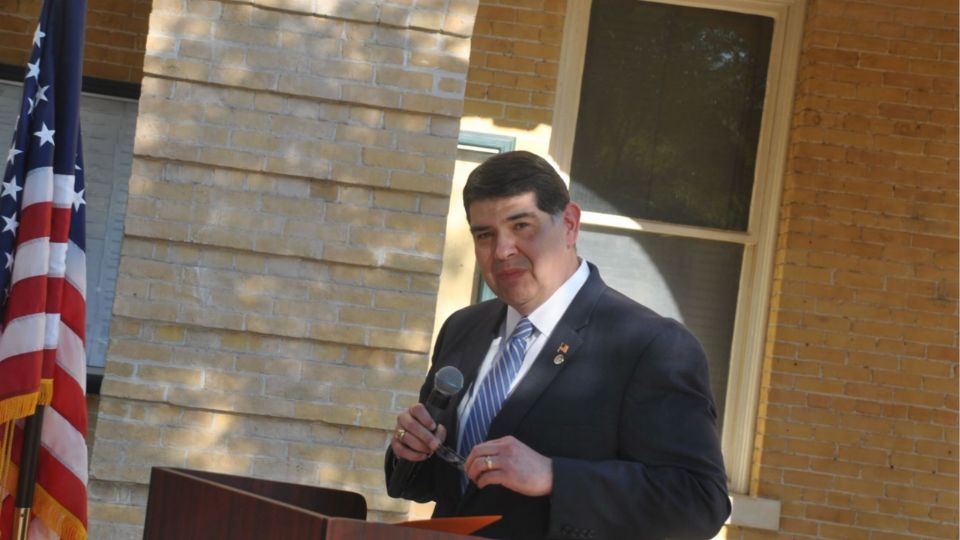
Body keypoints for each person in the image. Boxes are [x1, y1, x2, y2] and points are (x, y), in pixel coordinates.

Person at [385, 151, 730, 539]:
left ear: (569, 225)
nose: (502, 250)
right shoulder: (463, 328)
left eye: (521, 226)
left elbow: (700, 502)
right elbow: (438, 485)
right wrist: (410, 449)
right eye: (485, 235)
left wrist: (554, 476)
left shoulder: (651, 345)